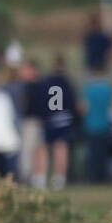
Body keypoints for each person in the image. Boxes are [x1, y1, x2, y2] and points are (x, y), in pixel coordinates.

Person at [40, 55, 77, 189]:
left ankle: (41, 178)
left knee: (45, 148)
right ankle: (59, 179)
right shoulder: (67, 82)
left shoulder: (47, 82)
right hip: (64, 120)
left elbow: (42, 101)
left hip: (50, 119)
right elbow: (72, 103)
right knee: (61, 149)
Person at [81, 66, 112, 183]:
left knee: (92, 154)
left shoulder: (88, 89)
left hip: (91, 124)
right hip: (104, 124)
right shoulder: (108, 89)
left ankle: (92, 177)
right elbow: (111, 106)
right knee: (103, 154)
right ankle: (103, 177)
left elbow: (84, 108)